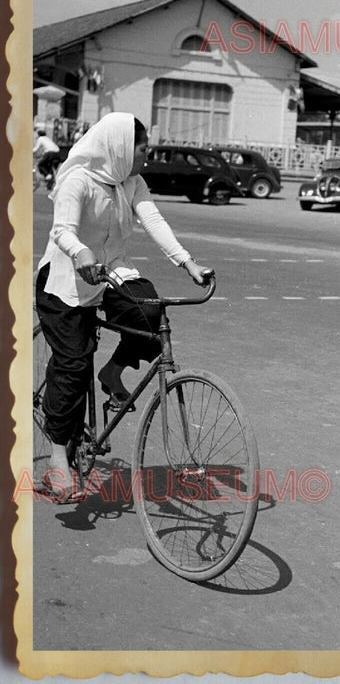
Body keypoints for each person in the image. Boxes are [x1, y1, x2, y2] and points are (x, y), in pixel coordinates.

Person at [35, 112, 211, 502]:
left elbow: (154, 220)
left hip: (110, 272)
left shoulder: (131, 182)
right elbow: (62, 230)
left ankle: (113, 373)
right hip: (65, 279)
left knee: (150, 312)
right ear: (120, 148)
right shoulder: (77, 179)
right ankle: (57, 461)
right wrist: (80, 253)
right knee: (74, 364)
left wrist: (188, 263)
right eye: (143, 149)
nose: (147, 155)